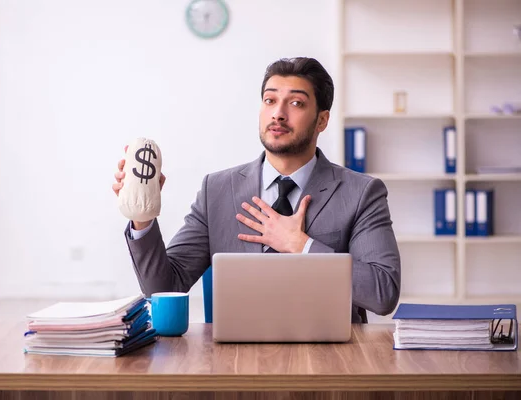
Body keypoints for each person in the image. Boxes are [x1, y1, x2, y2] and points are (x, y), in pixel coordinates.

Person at [112, 57, 401, 323]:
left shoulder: (361, 193)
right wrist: (143, 218)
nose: (278, 113)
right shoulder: (218, 190)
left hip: (330, 363)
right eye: (269, 100)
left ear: (322, 120)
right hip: (237, 364)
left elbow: (383, 293)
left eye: (296, 103)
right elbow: (165, 287)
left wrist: (301, 246)